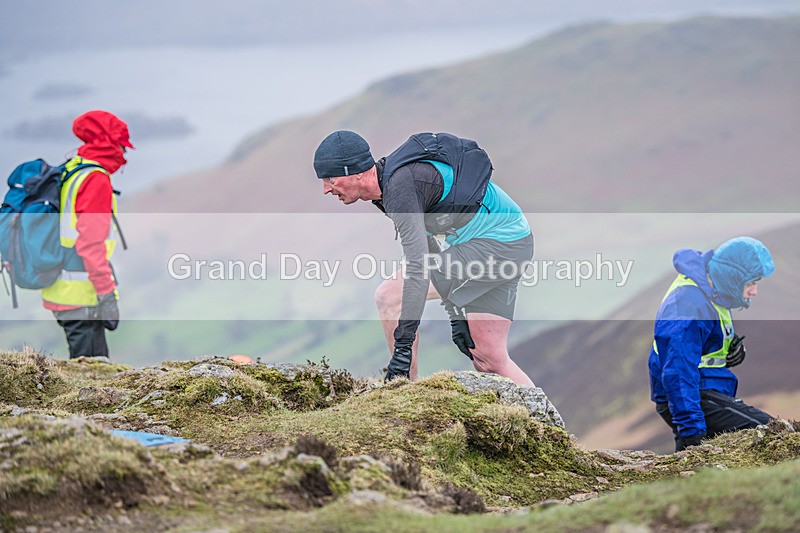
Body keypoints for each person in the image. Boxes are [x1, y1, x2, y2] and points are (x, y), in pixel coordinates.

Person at [313, 130, 536, 385]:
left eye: (330, 178)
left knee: (389, 296)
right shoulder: (388, 188)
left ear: (355, 171)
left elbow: (418, 270)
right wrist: (455, 314)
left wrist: (402, 351)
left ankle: (404, 388)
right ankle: (545, 413)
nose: (325, 189)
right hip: (513, 242)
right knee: (489, 359)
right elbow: (430, 247)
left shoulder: (400, 189)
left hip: (500, 245)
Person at [648, 236, 775, 452]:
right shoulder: (688, 307)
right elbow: (678, 372)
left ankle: (687, 468)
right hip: (692, 396)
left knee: (696, 459)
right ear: (733, 278)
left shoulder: (712, 288)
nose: (754, 291)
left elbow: (701, 338)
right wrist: (692, 432)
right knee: (773, 433)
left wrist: (728, 348)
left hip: (699, 391)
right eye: (751, 283)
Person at [41, 110, 134, 359]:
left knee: (85, 367)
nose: (125, 155)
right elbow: (90, 244)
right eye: (122, 146)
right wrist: (106, 293)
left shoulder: (73, 168)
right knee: (93, 372)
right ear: (110, 144)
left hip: (61, 289)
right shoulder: (95, 180)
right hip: (82, 295)